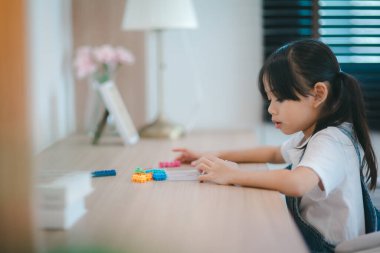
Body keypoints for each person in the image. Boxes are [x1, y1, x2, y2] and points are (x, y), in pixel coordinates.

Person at [173, 39, 379, 252]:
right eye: (269, 100)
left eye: (279, 98)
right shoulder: (311, 134)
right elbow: (272, 153)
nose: (271, 109)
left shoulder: (331, 141)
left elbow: (297, 183)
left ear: (318, 94)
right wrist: (211, 155)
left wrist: (233, 175)